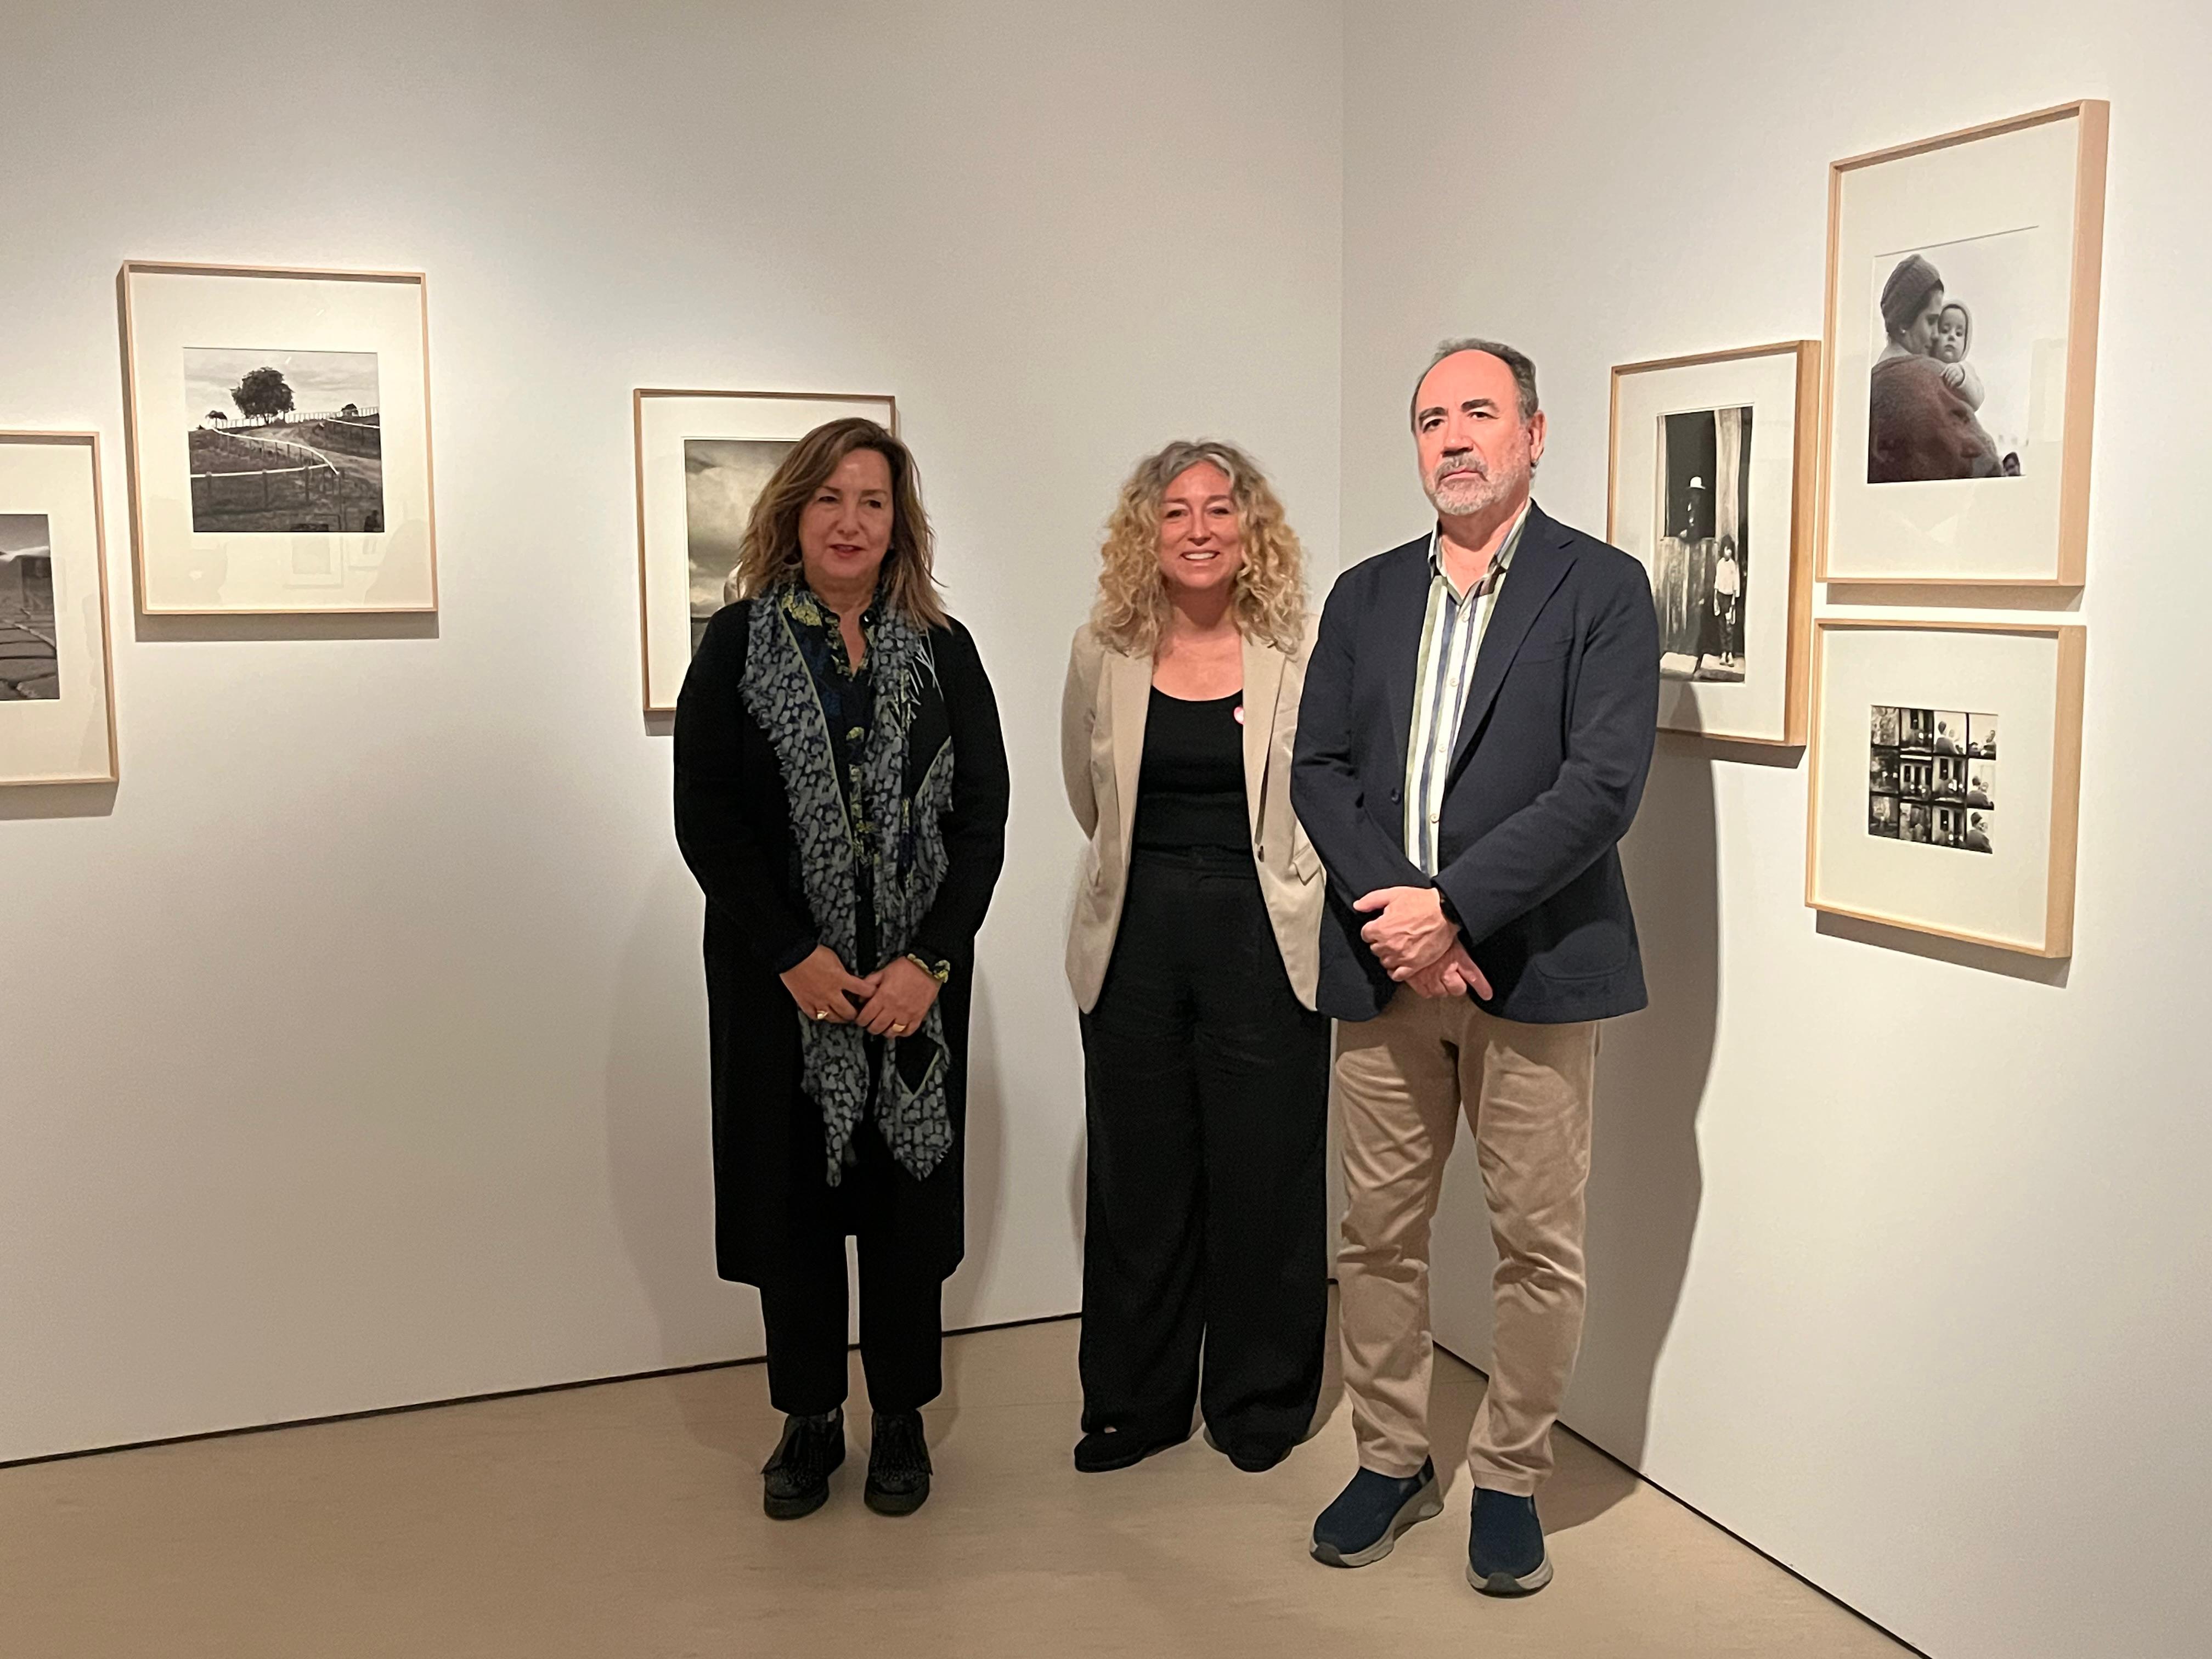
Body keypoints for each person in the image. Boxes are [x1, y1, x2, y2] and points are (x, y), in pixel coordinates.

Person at [1292, 338, 1659, 1597]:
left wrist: (1451, 911)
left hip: (1536, 972)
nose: (1453, 438)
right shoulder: (1364, 596)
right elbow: (1318, 772)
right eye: (1432, 418)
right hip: (1386, 974)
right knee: (1376, 1237)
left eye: (1480, 413)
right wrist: (1400, 919)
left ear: (1534, 435)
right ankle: (1390, 1459)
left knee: (1538, 1245)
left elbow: (1600, 788)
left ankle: (1509, 1477)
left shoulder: (1603, 590)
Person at [674, 417, 1009, 1522]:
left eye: (872, 501)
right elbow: (708, 820)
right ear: (794, 514)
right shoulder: (736, 644)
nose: (850, 522)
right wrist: (791, 954)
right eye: (829, 498)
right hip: (781, 990)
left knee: (904, 1209)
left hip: (915, 995)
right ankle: (810, 1415)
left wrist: (930, 961)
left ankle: (900, 1414)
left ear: (897, 524)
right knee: (796, 1210)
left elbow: (982, 820)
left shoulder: (946, 650)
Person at [1061, 439, 1330, 1475]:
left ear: (1251, 528)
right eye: (1176, 512)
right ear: (1148, 532)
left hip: (1264, 940)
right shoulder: (1103, 647)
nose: (1199, 529)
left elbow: (1327, 788)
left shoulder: (1297, 648)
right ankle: (1137, 1403)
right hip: (1133, 941)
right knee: (1139, 1178)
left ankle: (1258, 1400)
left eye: (1219, 509)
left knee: (1266, 1174)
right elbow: (1087, 794)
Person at [1869, 253, 2002, 482]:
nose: (1936, 335)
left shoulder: (1868, 387)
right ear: (1904, 322)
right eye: (1931, 321)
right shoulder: (1932, 377)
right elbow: (1987, 466)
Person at [1930, 302, 1986, 410]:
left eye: (1959, 333)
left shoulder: (1965, 369)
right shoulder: (1927, 365)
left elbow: (1979, 398)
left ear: (1966, 343)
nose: (1952, 336)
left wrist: (1963, 378)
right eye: (1945, 331)